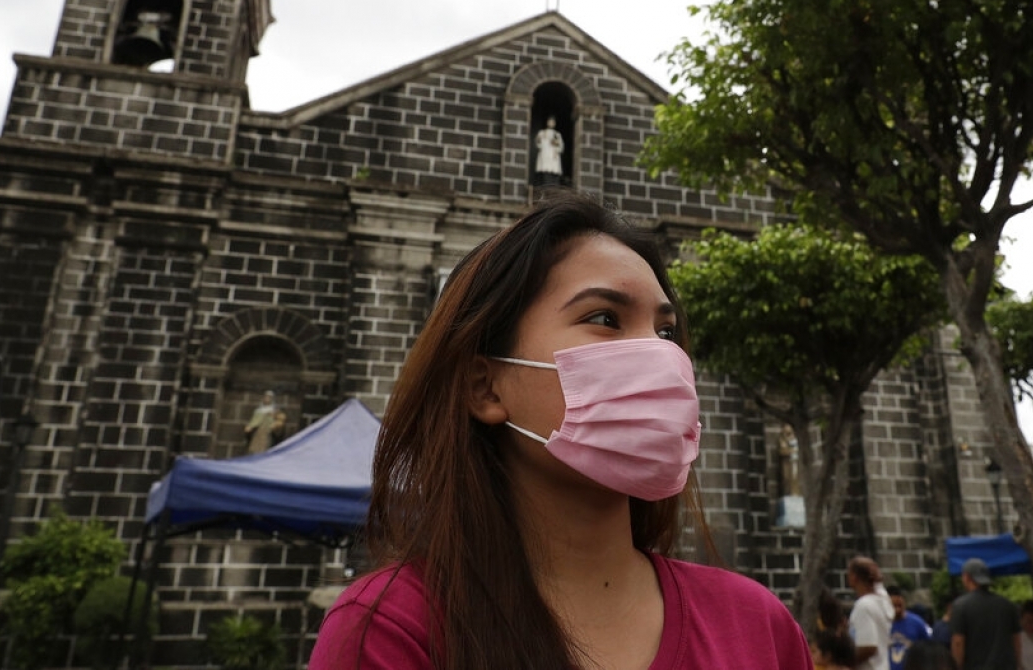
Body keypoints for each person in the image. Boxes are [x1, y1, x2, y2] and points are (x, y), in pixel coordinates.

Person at [309, 192, 812, 670]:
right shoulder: (393, 629)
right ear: (485, 388)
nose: (661, 355)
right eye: (604, 317)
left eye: (666, 331)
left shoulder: (757, 624)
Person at [950, 558, 1020, 670]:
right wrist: (1018, 665)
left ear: (967, 577)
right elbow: (1016, 639)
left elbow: (958, 642)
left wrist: (957, 666)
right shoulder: (1007, 605)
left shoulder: (960, 606)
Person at [848, 557, 895, 670]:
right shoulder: (883, 600)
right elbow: (879, 587)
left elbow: (868, 647)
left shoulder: (863, 606)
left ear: (854, 577)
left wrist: (844, 662)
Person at [889, 585, 931, 669]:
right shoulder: (881, 624)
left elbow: (927, 649)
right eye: (894, 606)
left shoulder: (917, 623)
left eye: (899, 605)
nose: (897, 609)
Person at [534, 116, 565, 184]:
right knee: (545, 178)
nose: (551, 123)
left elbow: (561, 147)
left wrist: (556, 144)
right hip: (545, 158)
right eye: (550, 121)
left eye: (553, 122)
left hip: (554, 159)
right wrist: (539, 141)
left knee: (554, 179)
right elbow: (538, 144)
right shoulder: (542, 133)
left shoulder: (557, 134)